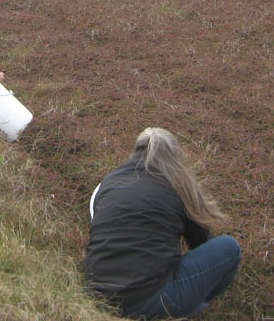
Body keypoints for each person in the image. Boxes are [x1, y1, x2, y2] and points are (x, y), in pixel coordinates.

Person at [85, 128, 241, 319]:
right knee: (229, 249)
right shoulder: (178, 186)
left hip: (97, 296)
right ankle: (190, 313)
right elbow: (200, 242)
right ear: (173, 156)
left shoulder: (108, 182)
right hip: (148, 302)